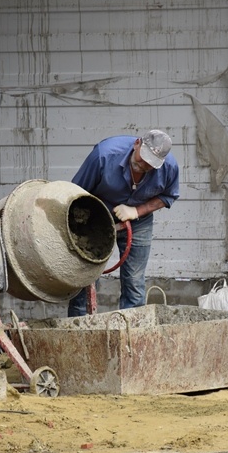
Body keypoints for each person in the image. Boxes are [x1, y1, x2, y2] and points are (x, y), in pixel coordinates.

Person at [67, 129, 179, 316]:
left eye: (151, 164)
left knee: (134, 282)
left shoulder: (169, 168)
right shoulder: (104, 155)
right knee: (85, 279)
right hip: (96, 220)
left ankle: (129, 336)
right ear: (137, 143)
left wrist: (136, 211)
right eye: (143, 158)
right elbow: (76, 193)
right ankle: (79, 329)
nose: (144, 165)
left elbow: (168, 197)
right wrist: (84, 225)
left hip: (138, 223)